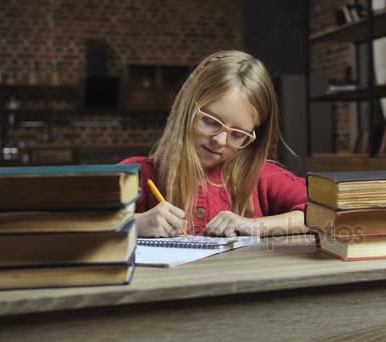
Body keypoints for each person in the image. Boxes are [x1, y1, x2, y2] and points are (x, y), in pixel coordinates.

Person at [120, 50, 309, 238]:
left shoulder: (260, 176)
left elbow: (329, 212)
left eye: (237, 134)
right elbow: (90, 221)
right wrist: (135, 223)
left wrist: (256, 225)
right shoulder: (135, 174)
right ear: (186, 110)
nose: (219, 141)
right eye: (210, 122)